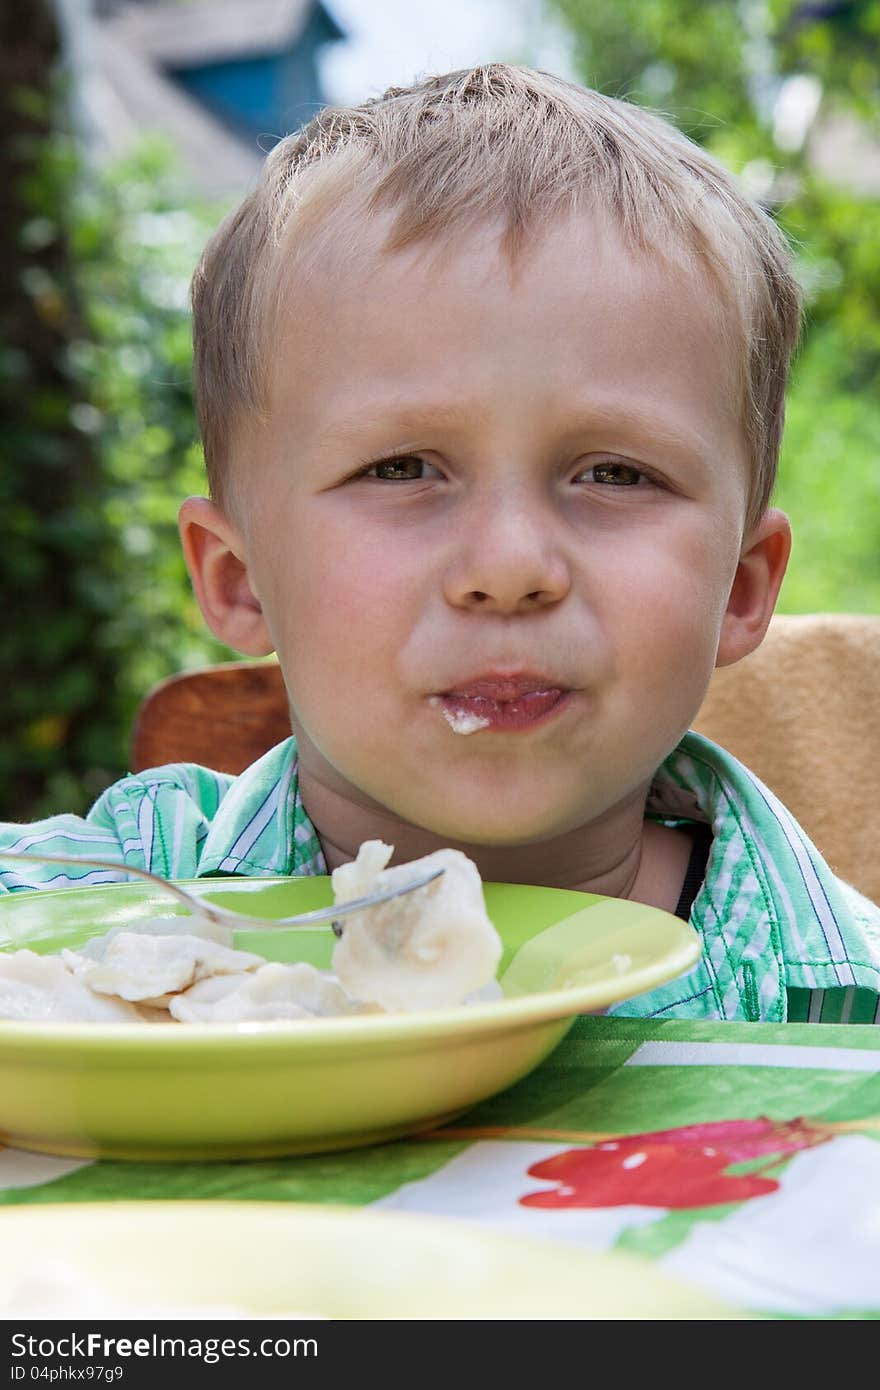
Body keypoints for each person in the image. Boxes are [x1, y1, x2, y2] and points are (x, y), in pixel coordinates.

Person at [1, 64, 878, 1023]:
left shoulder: (843, 1007)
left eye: (616, 474)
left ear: (744, 588)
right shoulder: (88, 916)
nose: (509, 570)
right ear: (239, 578)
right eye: (402, 469)